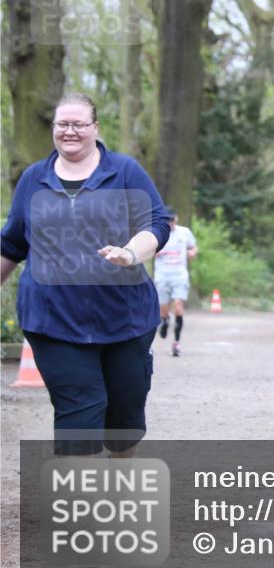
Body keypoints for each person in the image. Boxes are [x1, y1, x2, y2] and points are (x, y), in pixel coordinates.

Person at [0, 93, 171, 456]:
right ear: (54, 129)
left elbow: (155, 224)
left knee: (124, 423)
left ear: (96, 128)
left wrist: (129, 253)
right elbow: (12, 244)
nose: (70, 131)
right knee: (80, 410)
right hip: (53, 320)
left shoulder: (124, 171)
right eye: (63, 124)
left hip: (124, 318)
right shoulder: (34, 179)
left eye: (79, 124)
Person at [154, 207, 198, 357]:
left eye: (173, 220)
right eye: (168, 220)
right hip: (162, 276)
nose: (171, 223)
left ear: (176, 219)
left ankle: (176, 343)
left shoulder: (184, 232)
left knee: (178, 307)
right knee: (163, 310)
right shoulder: (158, 233)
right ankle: (164, 321)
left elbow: (193, 247)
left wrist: (192, 252)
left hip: (179, 276)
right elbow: (147, 250)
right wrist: (154, 252)